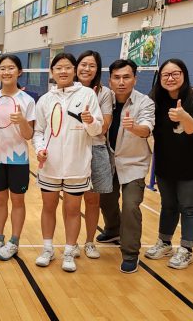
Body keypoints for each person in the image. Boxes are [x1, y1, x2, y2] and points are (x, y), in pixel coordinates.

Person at [33, 53, 103, 273]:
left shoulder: (87, 94)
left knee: (73, 209)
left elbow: (97, 129)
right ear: (52, 72)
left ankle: (69, 251)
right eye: (58, 68)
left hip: (77, 165)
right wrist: (40, 149)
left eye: (67, 68)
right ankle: (47, 249)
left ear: (74, 71)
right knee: (48, 207)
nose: (63, 72)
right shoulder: (45, 99)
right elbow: (39, 132)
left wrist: (91, 122)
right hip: (50, 166)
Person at [145, 59, 193, 269]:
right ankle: (165, 242)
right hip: (167, 161)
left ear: (184, 75)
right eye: (166, 74)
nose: (170, 78)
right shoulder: (155, 97)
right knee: (168, 205)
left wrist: (184, 117)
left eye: (175, 73)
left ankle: (186, 249)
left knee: (189, 206)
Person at [98, 59, 155, 273]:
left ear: (135, 79)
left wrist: (136, 128)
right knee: (105, 199)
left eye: (126, 77)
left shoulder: (145, 103)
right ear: (110, 80)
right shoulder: (104, 99)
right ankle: (113, 229)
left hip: (133, 163)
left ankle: (130, 253)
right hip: (108, 161)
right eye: (117, 77)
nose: (121, 82)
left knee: (131, 206)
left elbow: (147, 129)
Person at [0, 55, 35, 260]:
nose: (6, 72)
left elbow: (29, 135)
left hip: (18, 159)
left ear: (19, 72)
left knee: (17, 201)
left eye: (11, 68)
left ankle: (13, 241)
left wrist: (21, 121)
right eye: (2, 69)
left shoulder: (27, 101)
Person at [75, 51, 113, 260]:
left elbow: (104, 127)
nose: (86, 69)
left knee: (92, 200)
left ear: (97, 70)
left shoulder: (104, 93)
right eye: (83, 64)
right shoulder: (66, 90)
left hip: (96, 149)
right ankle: (71, 243)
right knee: (71, 201)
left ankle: (89, 242)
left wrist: (91, 120)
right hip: (72, 149)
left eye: (92, 65)